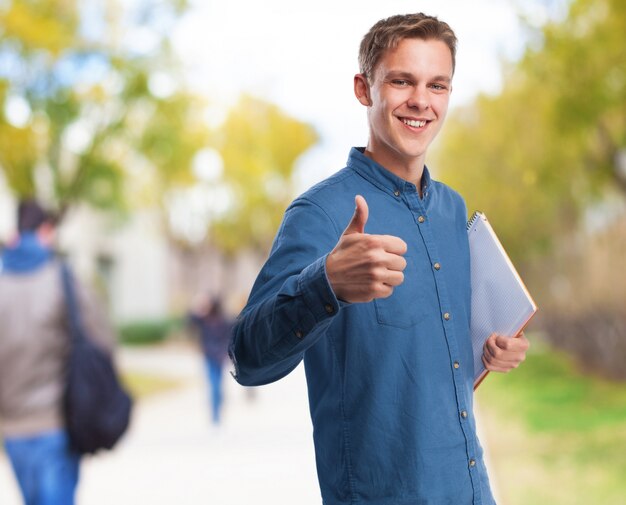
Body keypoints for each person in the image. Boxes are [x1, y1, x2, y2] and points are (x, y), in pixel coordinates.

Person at [229, 13, 530, 505]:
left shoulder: (453, 209)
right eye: (402, 81)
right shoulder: (320, 214)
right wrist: (325, 283)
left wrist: (494, 348)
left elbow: (433, 350)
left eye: (438, 85)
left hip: (471, 491)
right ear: (364, 89)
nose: (421, 101)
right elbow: (247, 358)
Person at [0, 199, 116, 505]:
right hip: (56, 421)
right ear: (46, 230)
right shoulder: (62, 279)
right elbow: (101, 339)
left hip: (11, 427)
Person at [188, 295, 232, 424]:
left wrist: (226, 352)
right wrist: (199, 306)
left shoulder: (225, 321)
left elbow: (229, 338)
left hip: (219, 357)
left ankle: (217, 408)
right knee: (214, 385)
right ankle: (215, 414)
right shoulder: (203, 320)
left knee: (218, 386)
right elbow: (189, 319)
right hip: (209, 356)